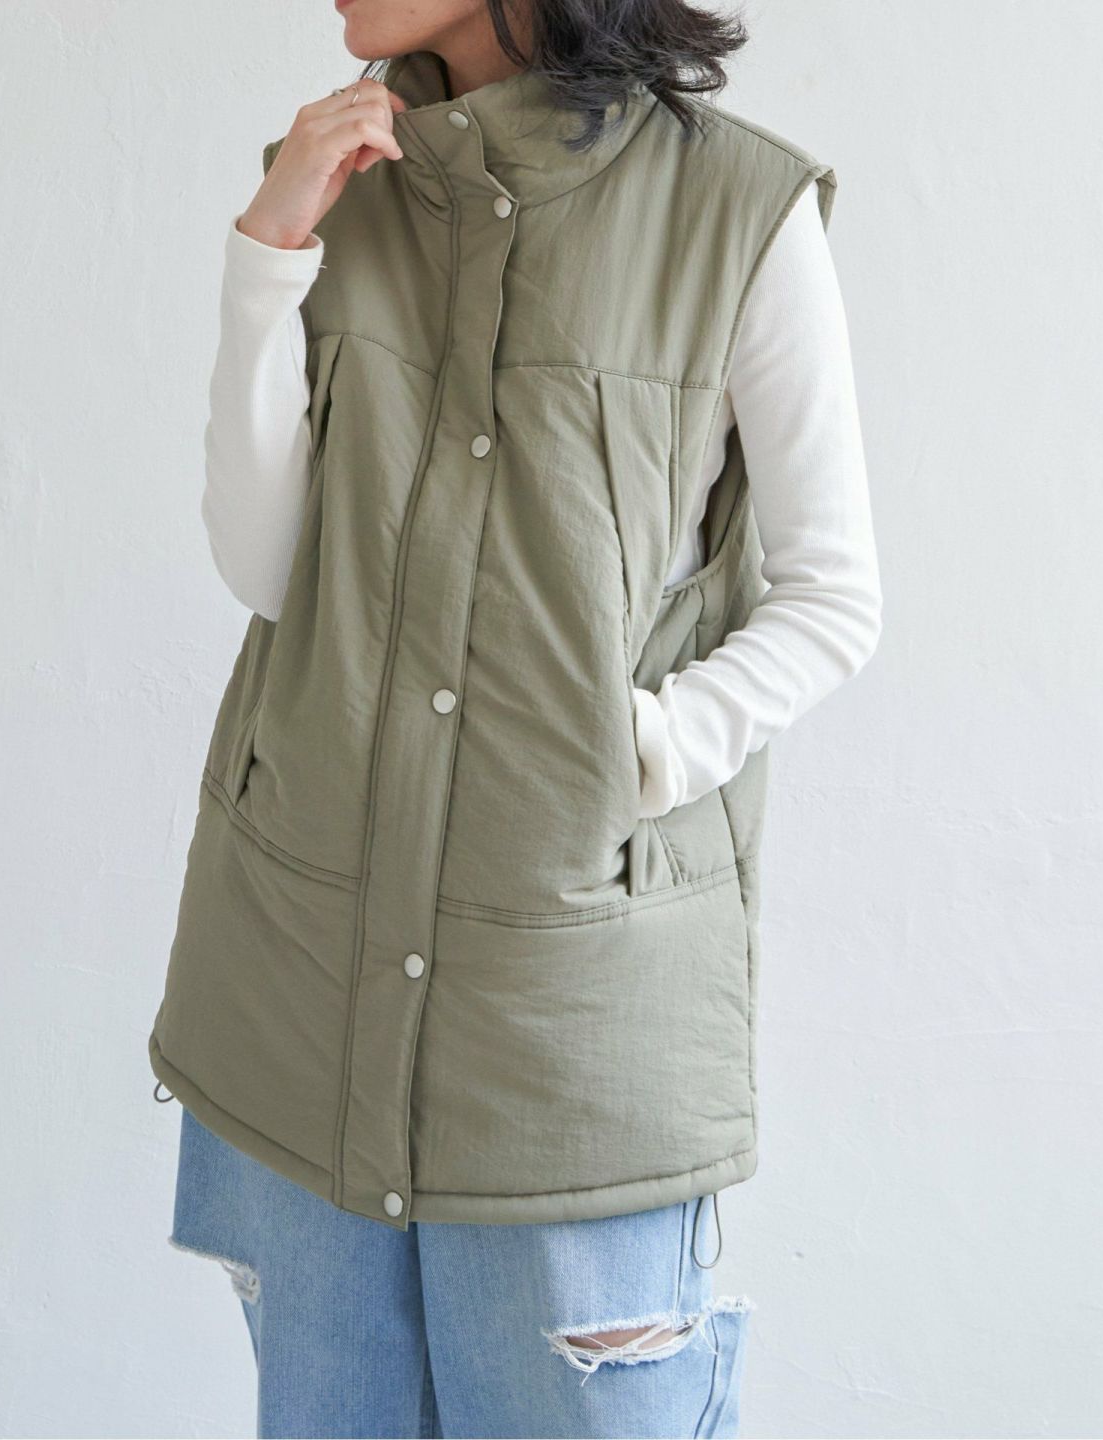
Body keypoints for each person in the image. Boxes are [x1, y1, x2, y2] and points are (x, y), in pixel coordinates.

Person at [149, 0, 883, 1434]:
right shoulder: (340, 188)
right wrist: (265, 258)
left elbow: (832, 596)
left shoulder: (736, 210)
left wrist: (640, 753)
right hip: (302, 981)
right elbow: (265, 567)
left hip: (568, 1024)